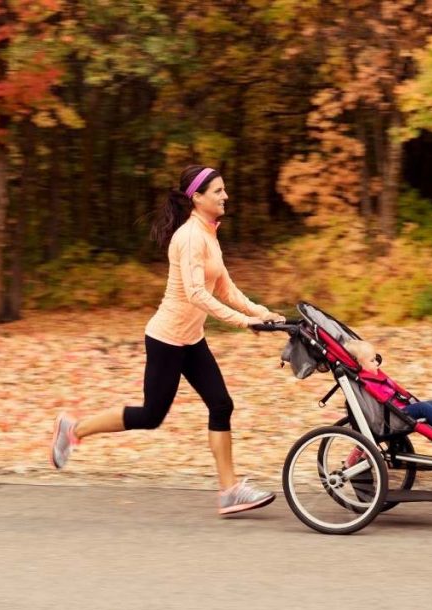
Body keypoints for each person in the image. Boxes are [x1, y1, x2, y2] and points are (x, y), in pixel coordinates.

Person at [50, 165, 286, 516]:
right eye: (218, 191)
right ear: (197, 197)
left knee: (221, 404)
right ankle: (74, 428)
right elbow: (194, 293)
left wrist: (261, 312)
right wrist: (242, 321)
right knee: (150, 415)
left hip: (191, 339)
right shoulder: (189, 237)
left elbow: (222, 287)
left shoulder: (208, 233)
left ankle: (229, 491)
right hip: (166, 339)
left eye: (224, 190)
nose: (225, 196)